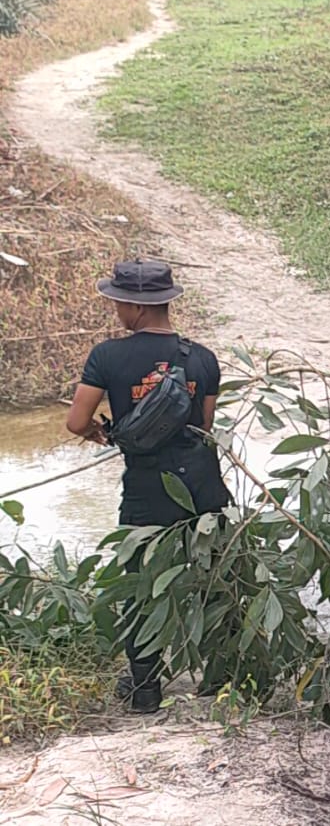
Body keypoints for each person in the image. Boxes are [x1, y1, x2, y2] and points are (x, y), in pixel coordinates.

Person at [65, 260, 230, 714]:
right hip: (202, 484)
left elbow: (76, 421)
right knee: (213, 578)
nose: (116, 310)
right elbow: (203, 426)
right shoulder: (202, 358)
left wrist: (101, 433)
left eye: (118, 303)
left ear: (134, 307)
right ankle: (223, 679)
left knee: (142, 583)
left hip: (146, 487)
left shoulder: (107, 356)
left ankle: (145, 689)